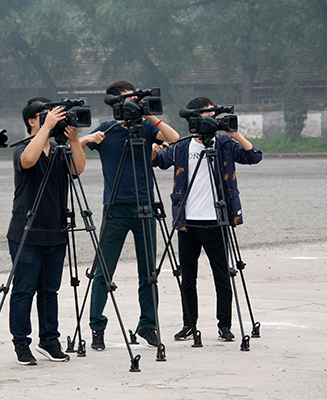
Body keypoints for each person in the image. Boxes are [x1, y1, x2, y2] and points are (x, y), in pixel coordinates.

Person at [152, 96, 263, 342]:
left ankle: (225, 325)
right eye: (207, 114)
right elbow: (158, 161)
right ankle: (189, 324)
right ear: (194, 118)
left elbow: (254, 156)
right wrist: (150, 144)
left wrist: (234, 134)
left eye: (213, 114)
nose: (211, 118)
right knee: (187, 278)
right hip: (186, 221)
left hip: (217, 220)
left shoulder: (223, 143)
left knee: (222, 276)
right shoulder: (182, 146)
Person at [80, 80, 180, 350]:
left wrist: (148, 115)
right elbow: (74, 151)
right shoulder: (106, 130)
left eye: (134, 98)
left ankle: (148, 325)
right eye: (126, 99)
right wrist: (86, 139)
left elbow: (175, 140)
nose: (132, 102)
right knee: (103, 271)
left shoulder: (146, 128)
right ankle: (96, 327)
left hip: (145, 206)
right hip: (115, 209)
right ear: (115, 103)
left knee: (149, 272)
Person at [7, 97, 86, 365]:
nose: (52, 117)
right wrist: (46, 128)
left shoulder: (58, 149)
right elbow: (29, 161)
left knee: (49, 290)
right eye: (45, 114)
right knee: (24, 289)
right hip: (26, 232)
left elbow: (77, 169)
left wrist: (74, 140)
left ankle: (49, 339)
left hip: (55, 229)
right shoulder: (22, 148)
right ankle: (21, 342)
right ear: (32, 120)